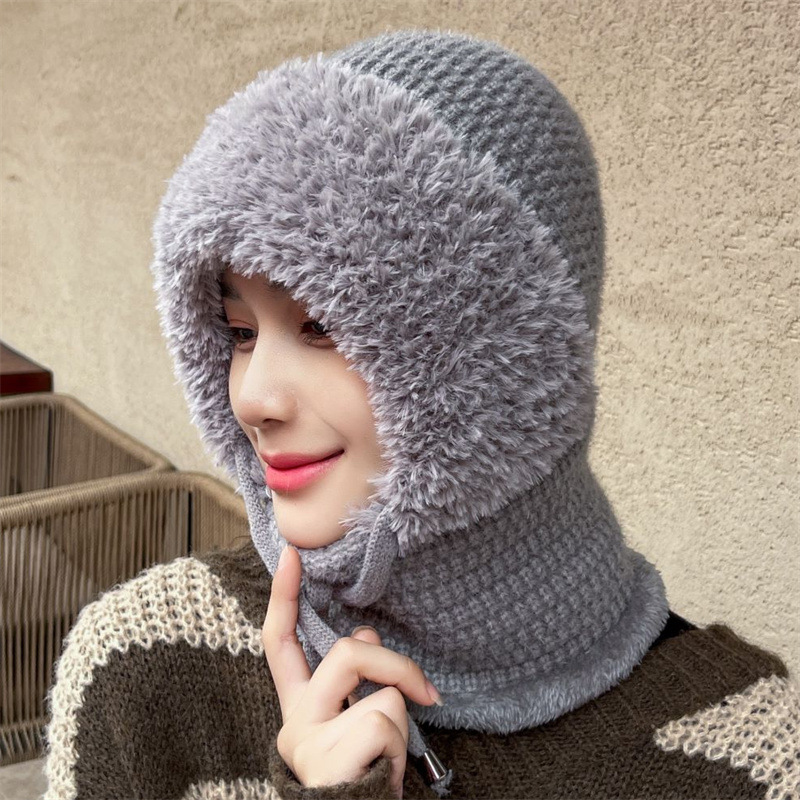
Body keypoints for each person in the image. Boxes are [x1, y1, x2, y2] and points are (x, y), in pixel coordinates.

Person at [42, 28, 799, 800]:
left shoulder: (752, 756)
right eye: (239, 332)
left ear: (500, 358)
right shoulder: (144, 669)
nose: (254, 399)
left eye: (322, 325)